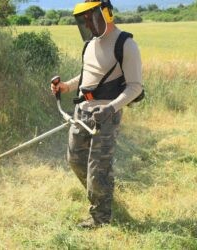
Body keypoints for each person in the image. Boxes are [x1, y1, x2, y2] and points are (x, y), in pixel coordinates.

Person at [51, 0, 143, 229]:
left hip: (106, 117)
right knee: (75, 160)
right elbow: (88, 75)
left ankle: (101, 218)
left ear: (105, 14)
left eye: (90, 17)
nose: (87, 24)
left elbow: (135, 87)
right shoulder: (91, 44)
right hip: (82, 111)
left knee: (97, 168)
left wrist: (111, 108)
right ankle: (100, 196)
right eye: (83, 19)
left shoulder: (126, 45)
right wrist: (66, 86)